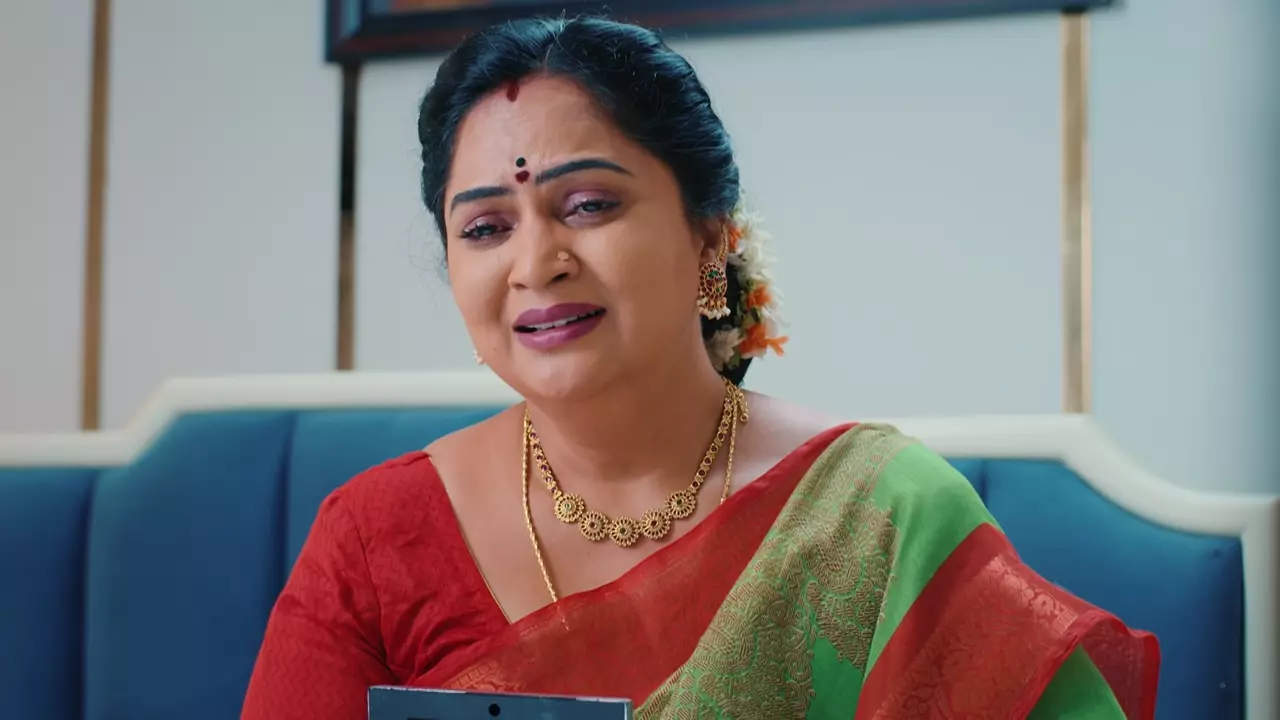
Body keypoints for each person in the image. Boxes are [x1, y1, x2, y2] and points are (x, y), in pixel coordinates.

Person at [242, 16, 1159, 719]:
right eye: (485, 227)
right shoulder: (375, 543)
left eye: (589, 205)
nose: (535, 263)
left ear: (710, 237)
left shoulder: (879, 516)